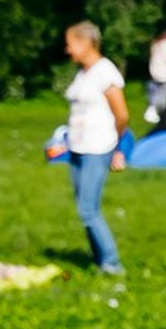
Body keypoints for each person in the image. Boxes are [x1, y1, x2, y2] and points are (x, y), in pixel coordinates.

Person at [60, 20, 128, 276]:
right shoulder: (83, 74)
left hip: (97, 148)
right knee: (84, 207)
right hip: (77, 148)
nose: (68, 50)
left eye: (70, 44)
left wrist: (115, 145)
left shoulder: (105, 72)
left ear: (86, 42)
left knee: (88, 208)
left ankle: (112, 262)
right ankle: (99, 259)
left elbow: (121, 114)